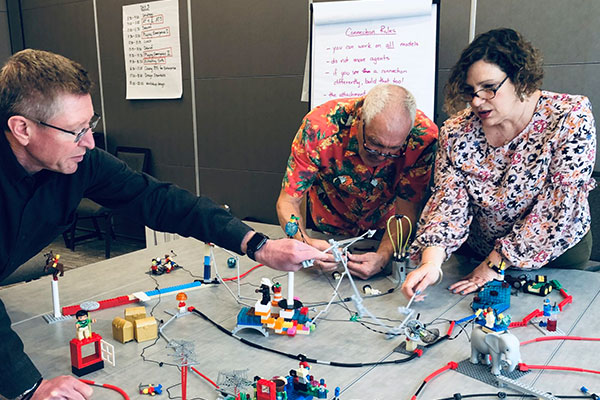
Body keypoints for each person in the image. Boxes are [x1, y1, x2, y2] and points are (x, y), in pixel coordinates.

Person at [0, 49, 327, 400]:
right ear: (22, 129)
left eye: (90, 125)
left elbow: (158, 199)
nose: (90, 142)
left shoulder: (81, 163)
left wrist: (258, 245)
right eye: (76, 131)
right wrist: (28, 388)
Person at [402, 28, 596, 301]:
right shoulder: (457, 131)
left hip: (554, 254)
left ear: (521, 77)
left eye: (489, 88)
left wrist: (495, 264)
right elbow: (448, 203)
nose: (477, 101)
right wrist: (431, 262)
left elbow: (557, 208)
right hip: (478, 256)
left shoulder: (569, 117)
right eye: (471, 91)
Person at [276, 84, 438, 279]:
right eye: (374, 144)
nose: (381, 156)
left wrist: (384, 256)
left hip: (384, 233)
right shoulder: (320, 127)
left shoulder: (424, 137)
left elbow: (407, 210)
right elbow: (288, 201)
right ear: (360, 117)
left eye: (394, 150)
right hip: (327, 232)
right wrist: (303, 244)